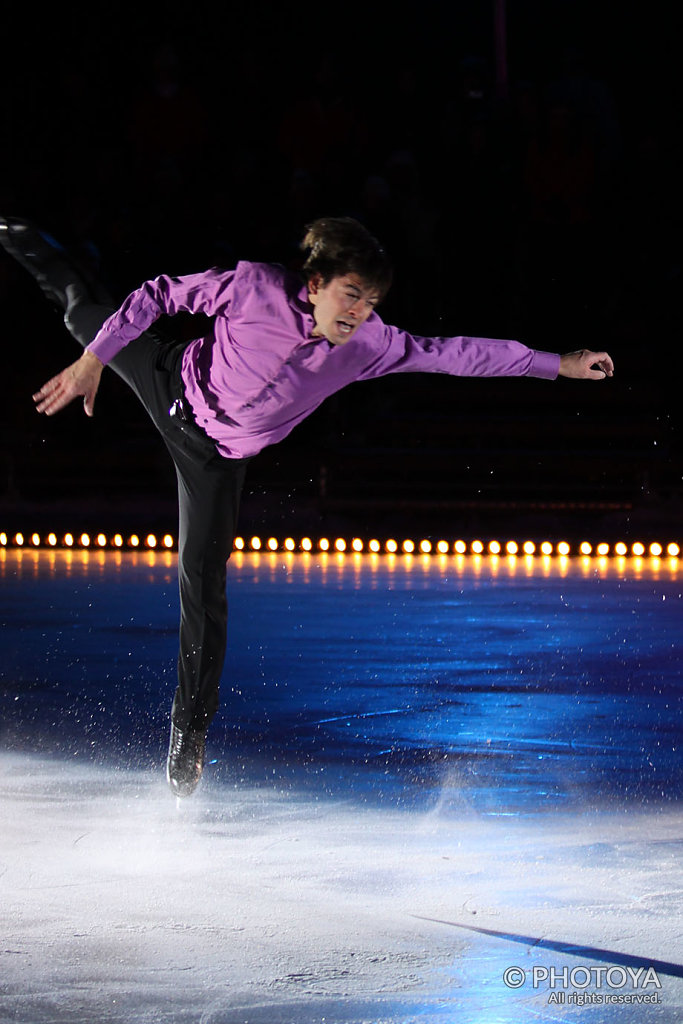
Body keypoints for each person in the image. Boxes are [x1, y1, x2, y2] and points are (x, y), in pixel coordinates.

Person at [0, 214, 614, 798]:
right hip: (173, 384)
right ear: (316, 284)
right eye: (351, 294)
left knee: (202, 587)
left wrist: (556, 364)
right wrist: (92, 362)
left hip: (216, 460)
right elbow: (158, 295)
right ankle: (20, 235)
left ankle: (187, 740)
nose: (360, 311)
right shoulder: (254, 287)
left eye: (371, 300)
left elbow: (455, 351)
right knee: (87, 317)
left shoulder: (369, 344)